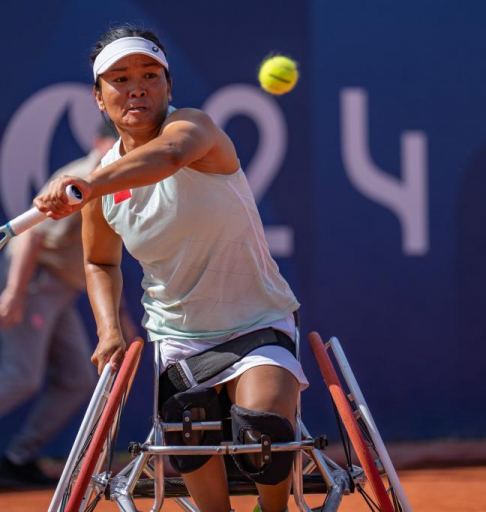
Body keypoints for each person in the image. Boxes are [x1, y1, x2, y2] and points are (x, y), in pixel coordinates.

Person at [34, 26, 307, 512]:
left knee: (261, 425)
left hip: (259, 323)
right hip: (179, 339)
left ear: (168, 86)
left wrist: (89, 183)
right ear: (98, 98)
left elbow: (167, 156)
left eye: (149, 75)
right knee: (185, 427)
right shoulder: (101, 187)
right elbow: (99, 261)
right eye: (119, 79)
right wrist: (107, 329)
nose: (136, 86)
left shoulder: (193, 129)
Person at [0, 124, 134, 494]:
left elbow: (105, 255)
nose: (122, 147)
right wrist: (16, 291)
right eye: (115, 140)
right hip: (33, 281)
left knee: (79, 378)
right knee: (20, 374)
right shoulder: (81, 179)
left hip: (59, 289)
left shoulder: (118, 184)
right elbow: (31, 233)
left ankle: (18, 459)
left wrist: (122, 315)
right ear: (98, 143)